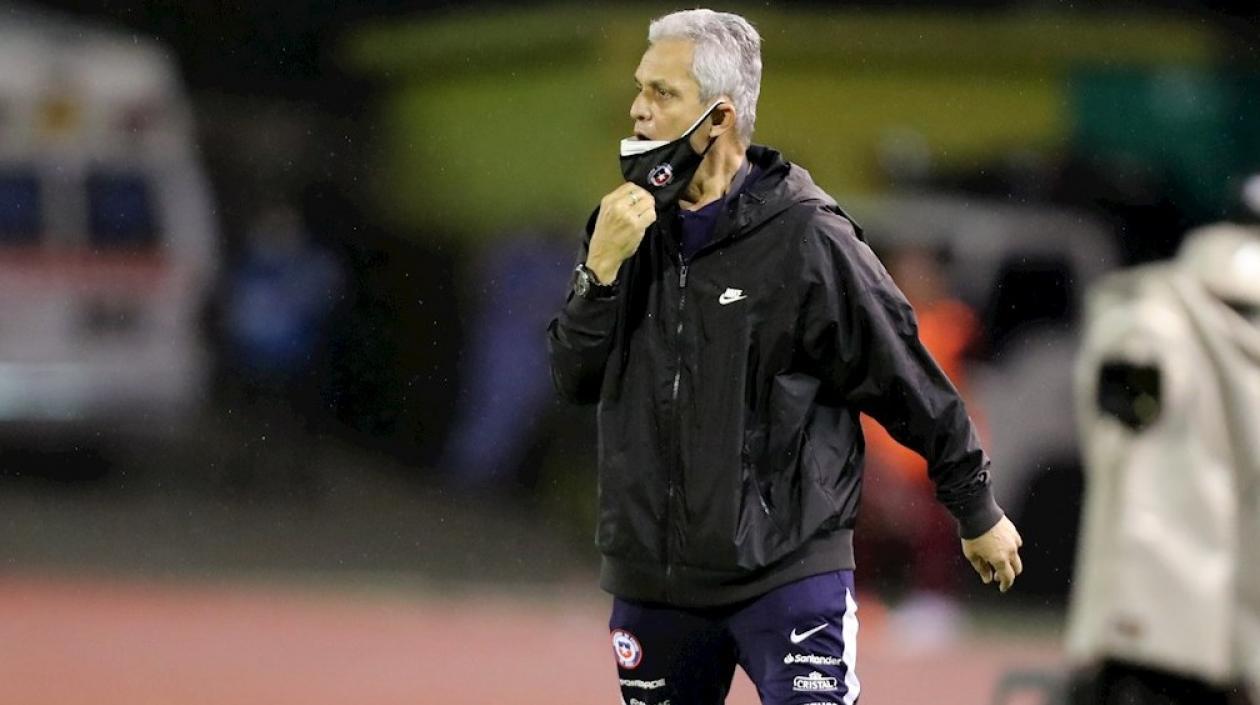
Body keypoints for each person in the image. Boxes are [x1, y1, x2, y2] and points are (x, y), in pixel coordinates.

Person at [545, 10, 1024, 705]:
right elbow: (572, 376)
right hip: (656, 581)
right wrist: (599, 274)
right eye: (639, 89)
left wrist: (973, 504)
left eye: (660, 92)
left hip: (787, 573)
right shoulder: (620, 230)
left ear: (718, 118)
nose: (636, 108)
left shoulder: (806, 235)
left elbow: (902, 369)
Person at [1066, 220, 1260, 705]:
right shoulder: (1154, 323)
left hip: (1204, 621)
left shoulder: (1153, 314)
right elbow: (1125, 392)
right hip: (1156, 615)